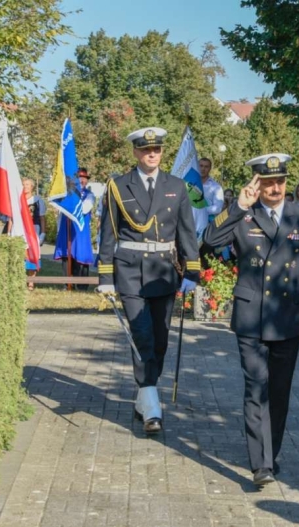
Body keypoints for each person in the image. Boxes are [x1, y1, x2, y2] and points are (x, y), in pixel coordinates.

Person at [204, 153, 299, 486]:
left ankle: (272, 453)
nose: (275, 188)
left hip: (287, 315)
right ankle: (261, 465)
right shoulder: (243, 215)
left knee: (280, 391)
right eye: (268, 183)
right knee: (256, 388)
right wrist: (238, 206)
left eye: (280, 182)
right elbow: (210, 242)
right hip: (251, 316)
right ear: (257, 184)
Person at [96, 127, 200, 434]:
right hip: (129, 270)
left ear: (161, 152)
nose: (151, 154)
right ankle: (152, 402)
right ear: (135, 152)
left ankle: (144, 396)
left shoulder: (176, 186)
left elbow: (186, 232)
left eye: (156, 149)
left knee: (160, 338)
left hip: (164, 271)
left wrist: (191, 271)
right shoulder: (118, 186)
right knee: (141, 334)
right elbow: (108, 233)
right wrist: (104, 275)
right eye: (145, 150)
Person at [54, 168, 95, 288]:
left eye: (84, 178)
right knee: (67, 255)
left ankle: (81, 285)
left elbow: (84, 209)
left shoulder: (89, 195)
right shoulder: (67, 194)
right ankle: (67, 283)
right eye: (79, 178)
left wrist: (73, 198)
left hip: (80, 230)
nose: (81, 180)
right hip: (66, 228)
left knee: (81, 255)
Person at [197, 157, 225, 266]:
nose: (203, 169)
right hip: (191, 227)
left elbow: (218, 208)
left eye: (206, 166)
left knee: (205, 257)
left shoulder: (216, 187)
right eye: (201, 166)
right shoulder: (189, 185)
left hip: (207, 228)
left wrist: (199, 209)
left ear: (210, 169)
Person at [23, 178, 47, 291]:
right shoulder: (19, 199)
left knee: (32, 256)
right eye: (24, 184)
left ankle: (31, 282)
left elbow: (42, 218)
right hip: (22, 230)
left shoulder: (37, 200)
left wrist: (43, 233)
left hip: (34, 230)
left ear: (32, 186)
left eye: (27, 184)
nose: (25, 186)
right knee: (22, 255)